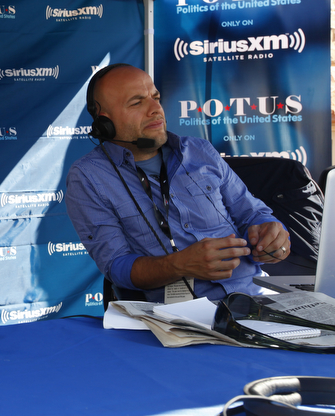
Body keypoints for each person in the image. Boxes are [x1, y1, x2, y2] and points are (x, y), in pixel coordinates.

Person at [65, 63, 290, 303]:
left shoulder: (199, 150)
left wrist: (271, 232)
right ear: (104, 122)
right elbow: (116, 265)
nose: (155, 109)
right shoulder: (88, 177)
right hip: (178, 318)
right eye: (136, 102)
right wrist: (179, 265)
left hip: (254, 297)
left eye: (156, 97)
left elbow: (253, 214)